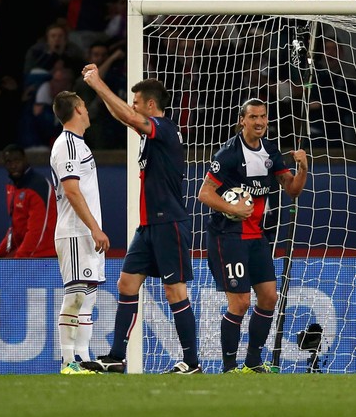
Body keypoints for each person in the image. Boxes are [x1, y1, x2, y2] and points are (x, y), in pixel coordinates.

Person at [80, 68, 201, 375]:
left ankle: (192, 361)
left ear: (150, 105)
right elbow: (125, 116)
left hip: (168, 222)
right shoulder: (150, 130)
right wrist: (101, 93)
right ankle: (117, 357)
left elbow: (131, 118)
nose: (132, 107)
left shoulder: (165, 128)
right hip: (149, 226)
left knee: (175, 291)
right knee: (126, 282)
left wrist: (98, 83)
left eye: (136, 101)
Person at [197, 98, 308, 373]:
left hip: (257, 236)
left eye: (263, 117)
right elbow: (205, 193)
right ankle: (229, 366)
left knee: (269, 298)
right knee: (241, 302)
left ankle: (253, 362)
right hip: (228, 236)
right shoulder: (228, 154)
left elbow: (292, 190)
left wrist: (303, 168)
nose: (259, 122)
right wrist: (232, 207)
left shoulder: (270, 152)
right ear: (242, 121)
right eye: (253, 117)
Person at [50, 91, 109, 374]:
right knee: (75, 296)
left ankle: (84, 358)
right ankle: (67, 360)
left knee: (88, 297)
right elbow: (71, 191)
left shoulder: (79, 145)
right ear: (76, 109)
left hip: (85, 232)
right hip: (75, 231)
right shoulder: (67, 146)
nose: (88, 111)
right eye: (84, 106)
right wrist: (95, 228)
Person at [0, 144, 57, 259]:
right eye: (9, 162)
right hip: (28, 257)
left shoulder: (39, 186)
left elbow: (37, 229)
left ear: (25, 160)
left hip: (46, 256)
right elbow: (15, 228)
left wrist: (20, 258)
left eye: (17, 161)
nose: (13, 165)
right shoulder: (12, 186)